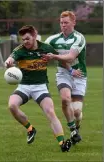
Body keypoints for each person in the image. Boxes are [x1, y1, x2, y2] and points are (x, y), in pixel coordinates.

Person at [4, 25, 72, 152]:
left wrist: (71, 70)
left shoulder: (46, 48)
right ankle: (30, 129)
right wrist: (8, 63)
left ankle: (62, 143)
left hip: (40, 87)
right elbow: (10, 59)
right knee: (12, 105)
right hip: (24, 86)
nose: (25, 42)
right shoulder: (20, 50)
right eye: (23, 39)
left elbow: (61, 59)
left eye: (27, 39)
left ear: (34, 36)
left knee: (50, 112)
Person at [44, 11, 87, 144]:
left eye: (66, 22)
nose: (63, 25)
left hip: (79, 75)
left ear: (74, 23)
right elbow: (40, 49)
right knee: (65, 99)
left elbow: (71, 57)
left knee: (77, 112)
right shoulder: (52, 39)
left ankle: (77, 124)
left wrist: (54, 56)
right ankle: (73, 130)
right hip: (63, 73)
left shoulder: (79, 38)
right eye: (61, 23)